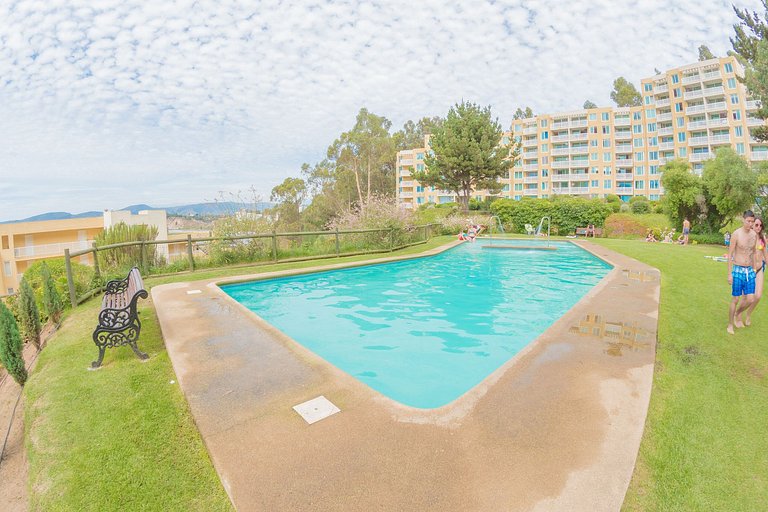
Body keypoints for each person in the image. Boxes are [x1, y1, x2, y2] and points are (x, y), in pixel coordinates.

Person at [727, 210, 758, 334]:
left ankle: (737, 314)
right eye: (748, 221)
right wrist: (729, 274)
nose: (750, 224)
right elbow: (730, 255)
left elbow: (754, 252)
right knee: (735, 299)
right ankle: (730, 325)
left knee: (751, 299)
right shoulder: (736, 234)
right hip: (738, 269)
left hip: (749, 270)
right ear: (743, 219)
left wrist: (755, 269)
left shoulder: (754, 235)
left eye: (752, 221)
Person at [744, 218, 768, 326]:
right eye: (757, 225)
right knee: (746, 297)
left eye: (760, 225)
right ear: (753, 225)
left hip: (759, 269)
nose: (758, 227)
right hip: (749, 269)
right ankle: (738, 315)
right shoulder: (748, 237)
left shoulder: (763, 239)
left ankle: (748, 314)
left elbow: (765, 255)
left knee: (757, 296)